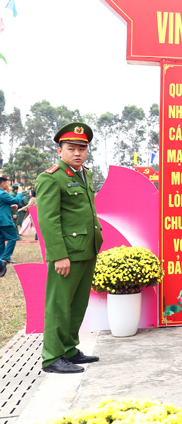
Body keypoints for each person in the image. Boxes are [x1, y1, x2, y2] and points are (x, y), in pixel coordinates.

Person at [35, 123, 103, 374]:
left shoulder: (85, 174)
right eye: (71, 148)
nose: (77, 153)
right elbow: (48, 220)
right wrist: (59, 255)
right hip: (67, 253)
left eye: (82, 149)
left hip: (87, 248)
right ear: (60, 150)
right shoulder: (51, 177)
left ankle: (69, 349)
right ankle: (52, 357)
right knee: (59, 304)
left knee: (77, 304)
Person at [0, 176, 24, 277]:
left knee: (1, 240)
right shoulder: (2, 193)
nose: (7, 185)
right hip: (4, 220)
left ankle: (2, 258)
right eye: (7, 183)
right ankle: (5, 258)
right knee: (13, 237)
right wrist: (20, 193)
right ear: (2, 184)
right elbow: (16, 200)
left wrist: (9, 207)